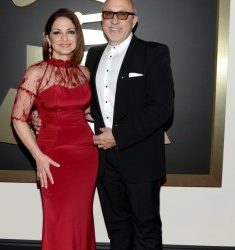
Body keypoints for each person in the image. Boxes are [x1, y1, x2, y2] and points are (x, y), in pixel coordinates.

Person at [84, 0, 174, 249]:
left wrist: (118, 136)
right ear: (102, 20)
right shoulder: (93, 55)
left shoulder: (154, 52)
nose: (114, 19)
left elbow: (162, 109)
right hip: (104, 161)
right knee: (117, 231)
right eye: (108, 13)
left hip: (141, 158)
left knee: (146, 231)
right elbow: (95, 102)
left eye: (122, 14)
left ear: (134, 21)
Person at [11, 8, 98, 250]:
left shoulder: (85, 73)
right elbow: (18, 118)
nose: (64, 38)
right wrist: (38, 157)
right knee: (58, 220)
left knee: (81, 219)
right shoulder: (36, 72)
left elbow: (88, 112)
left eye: (71, 32)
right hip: (52, 157)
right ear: (48, 38)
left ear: (78, 37)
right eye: (57, 32)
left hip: (86, 155)